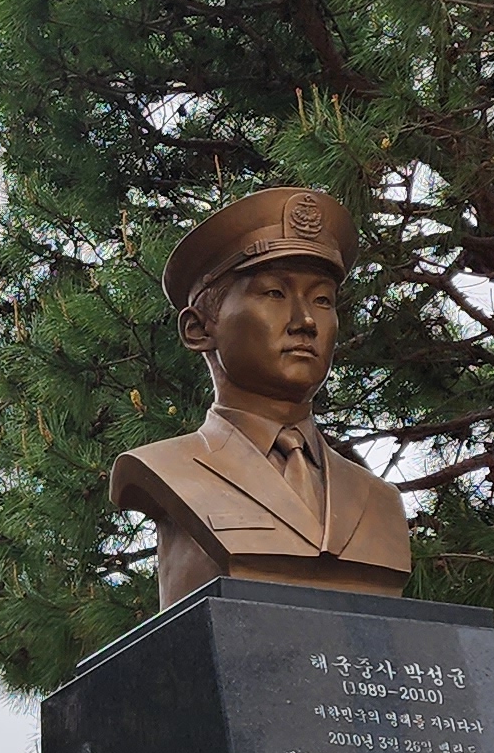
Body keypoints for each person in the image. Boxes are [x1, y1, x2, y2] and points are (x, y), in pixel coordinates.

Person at [109, 182, 413, 610]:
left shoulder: (378, 500)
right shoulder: (166, 471)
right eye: (274, 293)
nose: (306, 321)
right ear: (198, 329)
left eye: (322, 300)